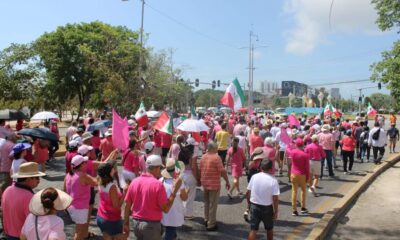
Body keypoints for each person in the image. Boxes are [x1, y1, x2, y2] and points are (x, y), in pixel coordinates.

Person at [123, 155, 182, 240]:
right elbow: (165, 209)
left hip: (136, 223)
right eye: (160, 168)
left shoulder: (135, 182)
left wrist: (126, 223)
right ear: (156, 168)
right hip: (151, 225)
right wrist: (174, 192)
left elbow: (127, 205)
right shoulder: (158, 185)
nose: (160, 171)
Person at [2, 162, 45, 239]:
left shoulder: (7, 190)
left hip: (8, 234)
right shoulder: (29, 196)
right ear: (28, 179)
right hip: (22, 237)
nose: (39, 181)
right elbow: (33, 224)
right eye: (37, 177)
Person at [64, 155, 98, 240]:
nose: (86, 164)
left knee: (79, 231)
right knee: (79, 233)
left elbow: (64, 191)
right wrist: (102, 171)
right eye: (85, 163)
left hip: (71, 207)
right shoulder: (83, 176)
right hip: (80, 209)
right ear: (81, 165)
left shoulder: (68, 175)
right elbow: (97, 182)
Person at [199, 141, 230, 231]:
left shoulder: (203, 157)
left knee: (207, 202)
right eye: (216, 147)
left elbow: (200, 168)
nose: (217, 149)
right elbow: (222, 171)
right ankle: (211, 224)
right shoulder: (217, 158)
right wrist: (227, 181)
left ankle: (207, 219)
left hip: (205, 183)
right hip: (214, 184)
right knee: (213, 204)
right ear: (213, 148)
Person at [246, 159, 280, 240]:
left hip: (254, 206)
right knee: (269, 229)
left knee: (253, 229)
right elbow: (275, 198)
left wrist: (249, 205)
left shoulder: (254, 177)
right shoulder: (273, 180)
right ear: (271, 168)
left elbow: (247, 192)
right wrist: (276, 211)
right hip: (267, 208)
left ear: (261, 167)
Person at [96, 161, 126, 240]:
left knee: (107, 237)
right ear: (108, 173)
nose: (114, 169)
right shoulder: (111, 187)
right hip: (111, 219)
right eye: (111, 169)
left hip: (101, 216)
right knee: (123, 237)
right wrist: (124, 194)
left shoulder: (99, 181)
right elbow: (116, 206)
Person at [160, 159, 188, 240]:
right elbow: (184, 198)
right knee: (170, 229)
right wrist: (186, 191)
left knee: (168, 227)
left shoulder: (161, 180)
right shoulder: (179, 183)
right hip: (174, 211)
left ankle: (173, 237)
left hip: (163, 210)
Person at [180, 138, 199, 220]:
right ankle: (188, 214)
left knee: (182, 194)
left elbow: (178, 165)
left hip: (182, 174)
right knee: (190, 195)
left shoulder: (180, 152)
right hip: (190, 175)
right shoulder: (193, 155)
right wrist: (197, 179)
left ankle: (182, 212)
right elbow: (194, 167)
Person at [290, 138, 310, 216]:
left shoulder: (293, 152)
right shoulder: (305, 155)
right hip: (302, 174)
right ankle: (303, 207)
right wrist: (308, 177)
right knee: (303, 191)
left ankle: (294, 210)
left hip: (293, 174)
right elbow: (307, 168)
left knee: (294, 191)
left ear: (296, 144)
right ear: (303, 145)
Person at [0, 133, 17, 201]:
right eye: (16, 137)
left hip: (3, 166)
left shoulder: (4, 144)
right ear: (12, 138)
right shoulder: (12, 145)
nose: (16, 139)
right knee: (5, 186)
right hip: (8, 168)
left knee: (4, 184)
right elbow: (12, 156)